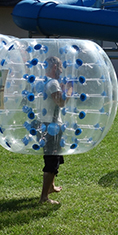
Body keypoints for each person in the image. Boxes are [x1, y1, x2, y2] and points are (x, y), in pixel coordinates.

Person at [40, 56, 72, 204]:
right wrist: (69, 91)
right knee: (52, 160)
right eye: (59, 67)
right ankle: (44, 198)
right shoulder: (53, 83)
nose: (61, 70)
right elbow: (60, 103)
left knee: (56, 157)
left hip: (44, 123)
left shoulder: (43, 80)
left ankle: (51, 187)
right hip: (51, 125)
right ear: (54, 68)